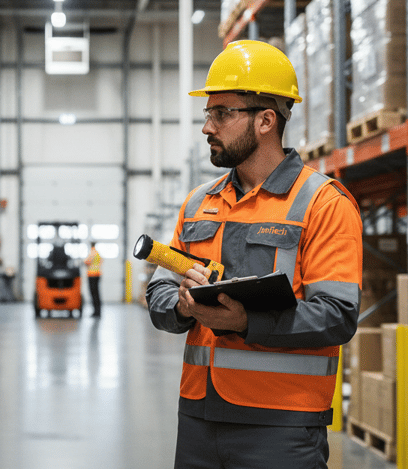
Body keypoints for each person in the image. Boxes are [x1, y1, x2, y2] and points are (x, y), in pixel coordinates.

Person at [146, 40, 363, 469]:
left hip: (281, 424)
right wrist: (185, 306)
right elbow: (159, 297)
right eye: (208, 114)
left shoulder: (323, 203)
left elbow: (338, 315)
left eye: (222, 113)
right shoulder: (196, 204)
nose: (208, 126)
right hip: (198, 415)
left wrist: (245, 321)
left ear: (266, 120)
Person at [84, 242, 103, 317]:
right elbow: (101, 261)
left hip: (92, 275)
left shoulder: (92, 252)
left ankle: (96, 312)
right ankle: (98, 311)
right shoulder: (97, 253)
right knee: (97, 294)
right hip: (97, 274)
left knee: (94, 294)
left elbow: (87, 262)